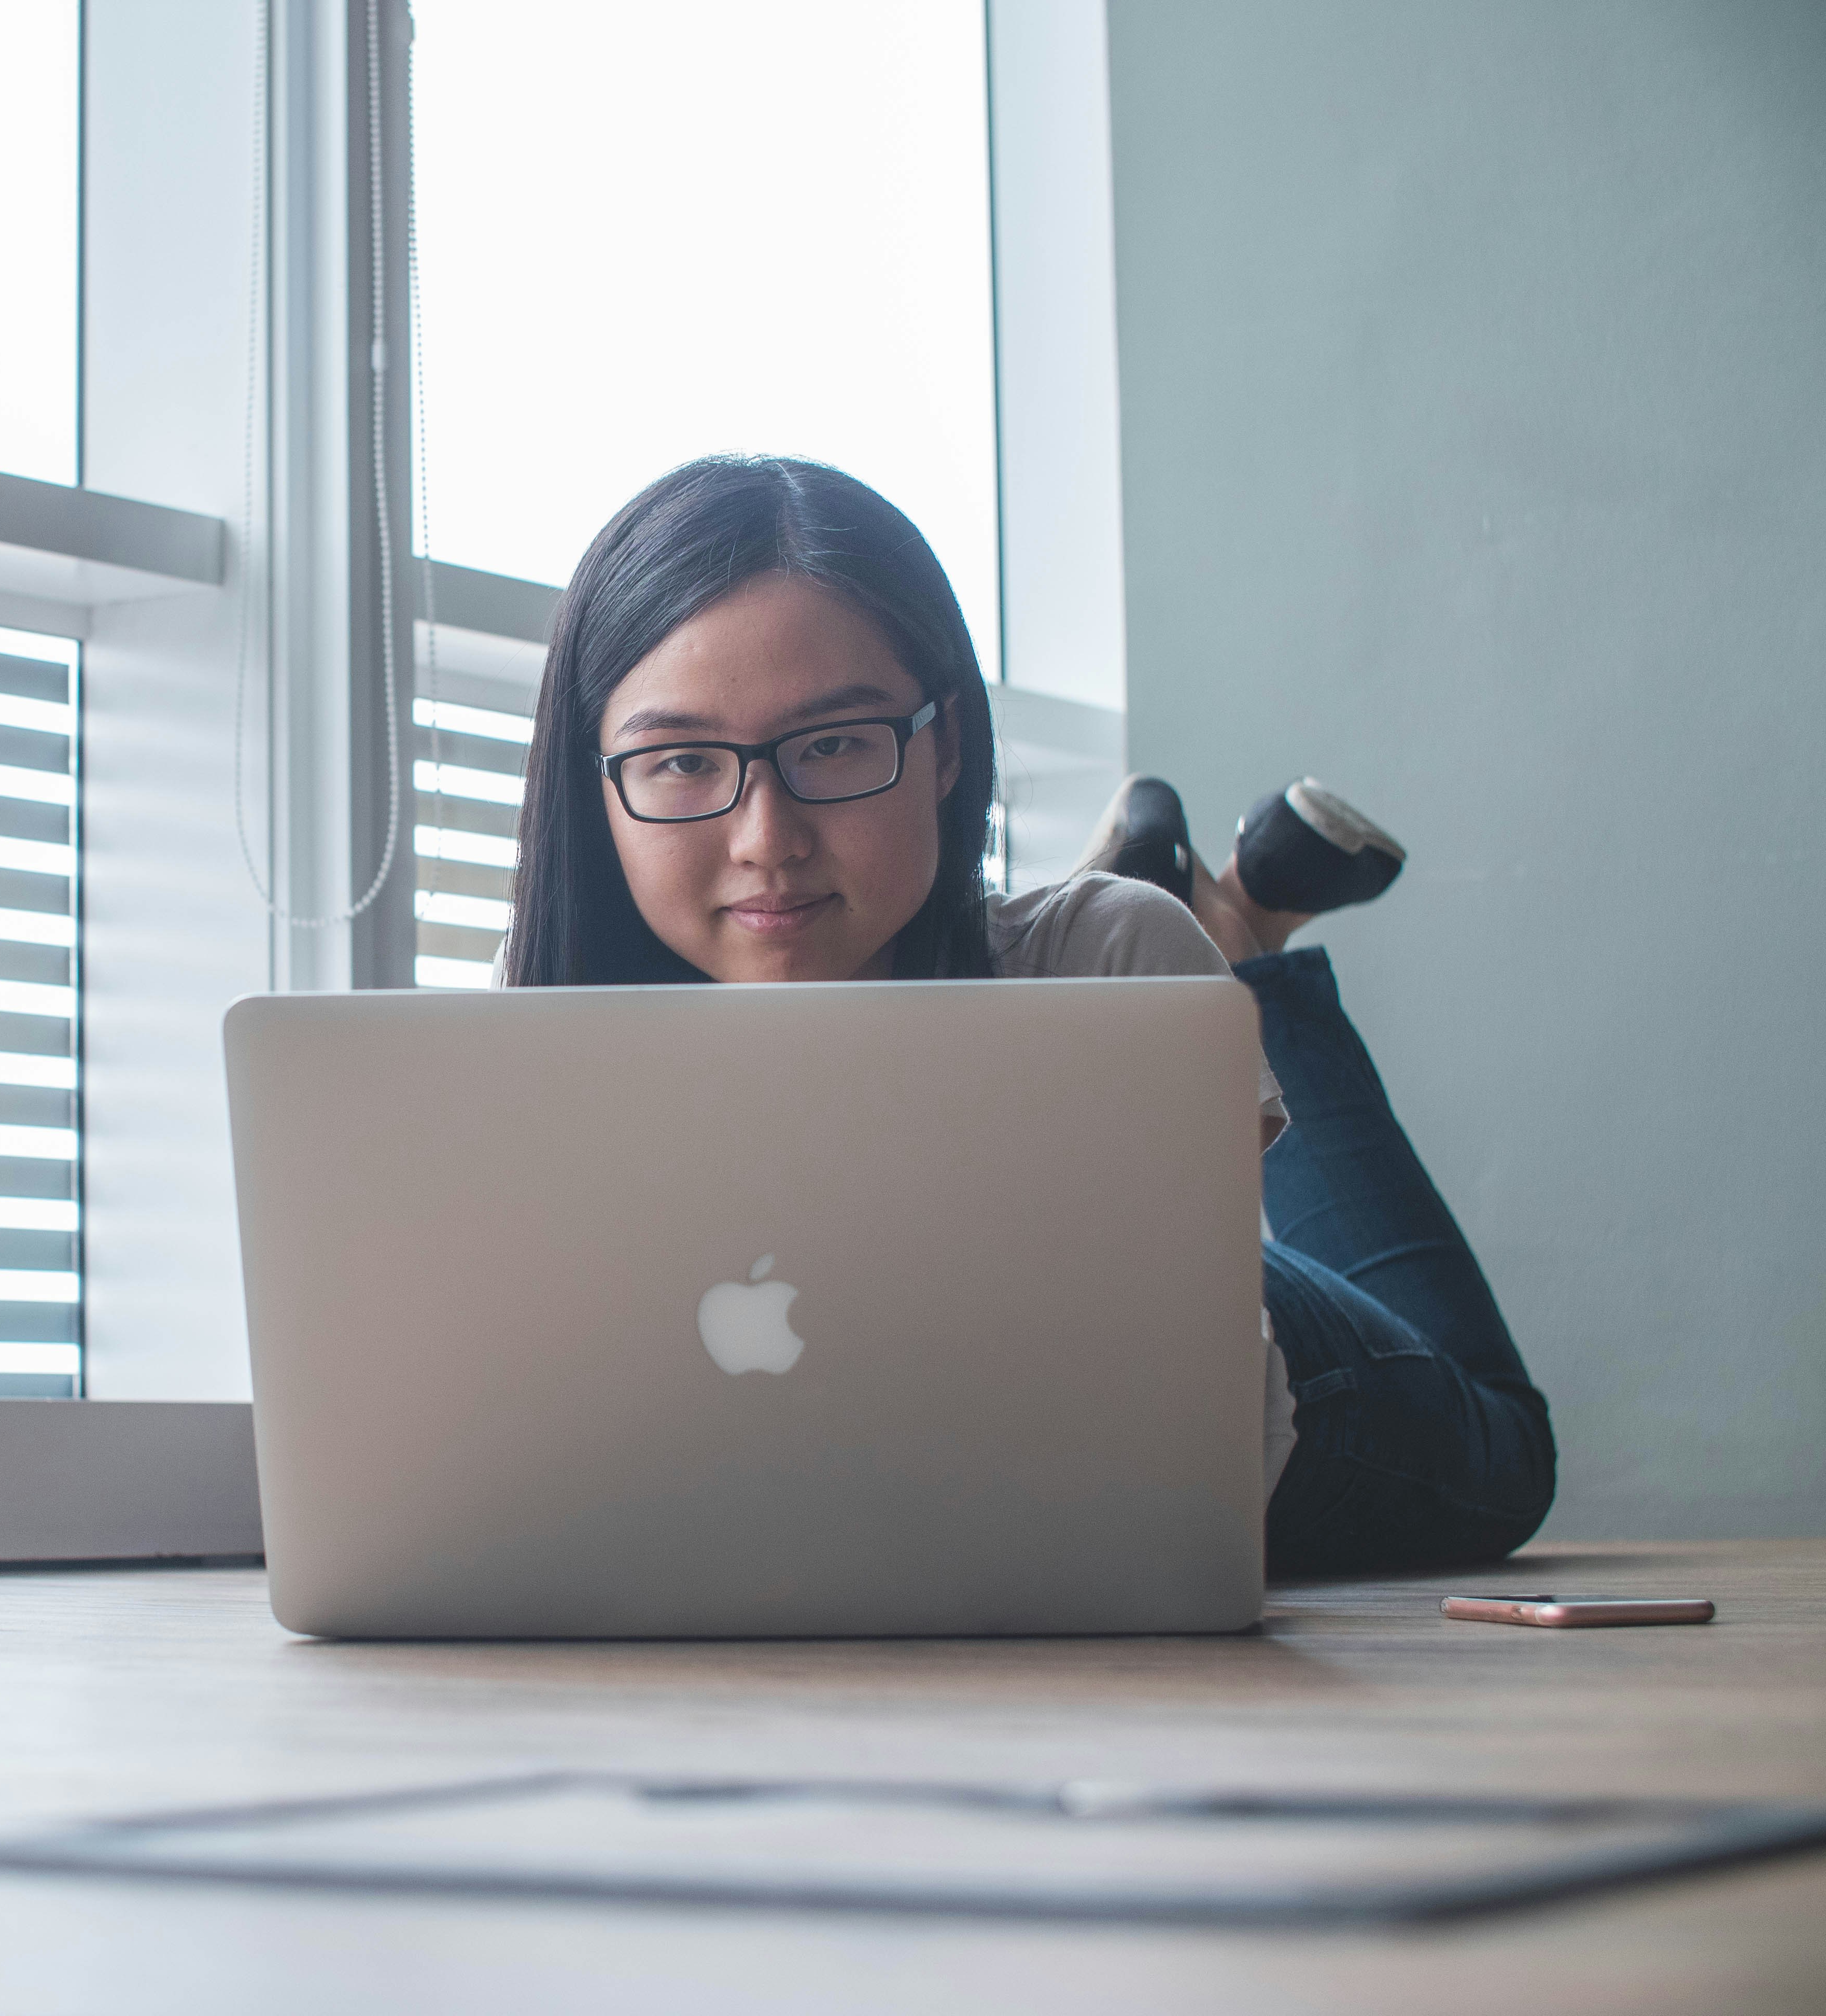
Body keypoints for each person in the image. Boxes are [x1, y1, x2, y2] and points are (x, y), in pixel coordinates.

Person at [501, 454, 1555, 1577]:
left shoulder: (1115, 955)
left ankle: (1246, 952)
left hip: (1301, 1412)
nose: (768, 837)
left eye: (835, 746)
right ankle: (1235, 917)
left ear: (946, 745)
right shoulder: (511, 1075)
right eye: (681, 761)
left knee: (1507, 1443)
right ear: (596, 782)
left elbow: (1148, 1434)